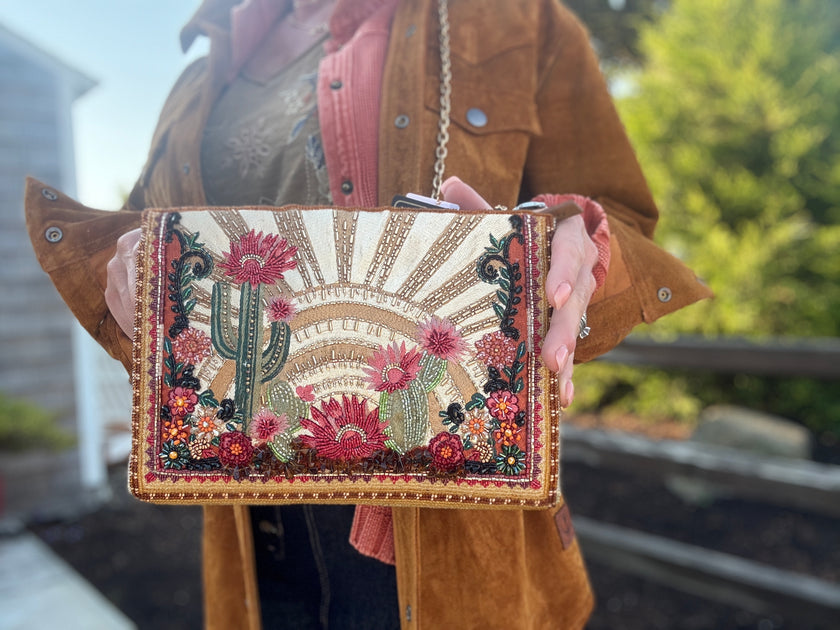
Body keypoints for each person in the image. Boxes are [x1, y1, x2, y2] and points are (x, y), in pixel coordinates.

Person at [25, 0, 712, 628]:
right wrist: (130, 274)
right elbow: (147, 270)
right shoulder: (201, 77)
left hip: (452, 536)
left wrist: (580, 246)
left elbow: (622, 224)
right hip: (250, 534)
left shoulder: (518, 21)